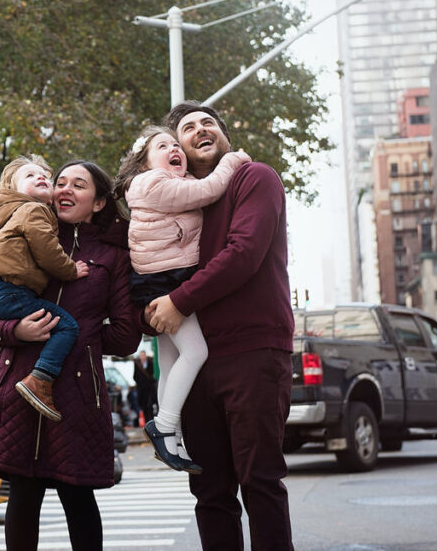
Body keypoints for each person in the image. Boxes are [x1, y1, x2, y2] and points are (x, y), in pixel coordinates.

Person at [0, 160, 153, 551]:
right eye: (60, 182)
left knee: (78, 495)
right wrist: (14, 330)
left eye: (78, 185)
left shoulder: (113, 256)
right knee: (24, 495)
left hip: (77, 394)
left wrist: (81, 341)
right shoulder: (28, 226)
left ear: (98, 203)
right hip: (16, 384)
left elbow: (126, 335)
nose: (64, 189)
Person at [146, 101, 295, 551]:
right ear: (178, 149)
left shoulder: (255, 179)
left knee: (260, 482)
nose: (200, 130)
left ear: (224, 138)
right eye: (187, 128)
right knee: (210, 495)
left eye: (208, 123)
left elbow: (244, 252)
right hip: (197, 364)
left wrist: (177, 301)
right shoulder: (181, 204)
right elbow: (149, 270)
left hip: (253, 352)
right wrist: (147, 311)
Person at [116, 124, 249, 473]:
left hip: (162, 276)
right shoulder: (151, 184)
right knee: (196, 351)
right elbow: (210, 189)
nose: (174, 148)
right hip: (165, 279)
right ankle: (163, 425)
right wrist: (233, 160)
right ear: (144, 163)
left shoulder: (173, 182)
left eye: (176, 144)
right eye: (163, 146)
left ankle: (170, 441)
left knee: (171, 359)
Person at [0, 155, 89, 424]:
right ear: (14, 191)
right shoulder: (34, 211)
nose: (41, 178)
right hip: (14, 290)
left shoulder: (11, 217)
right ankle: (40, 378)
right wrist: (71, 270)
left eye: (45, 176)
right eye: (30, 176)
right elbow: (47, 251)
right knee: (66, 326)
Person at [132, 350, 156, 426]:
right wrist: (139, 383)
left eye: (144, 355)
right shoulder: (137, 364)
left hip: (149, 388)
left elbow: (153, 374)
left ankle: (151, 422)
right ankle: (146, 423)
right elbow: (135, 376)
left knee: (150, 405)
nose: (143, 357)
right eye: (141, 355)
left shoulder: (150, 363)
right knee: (144, 406)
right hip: (141, 389)